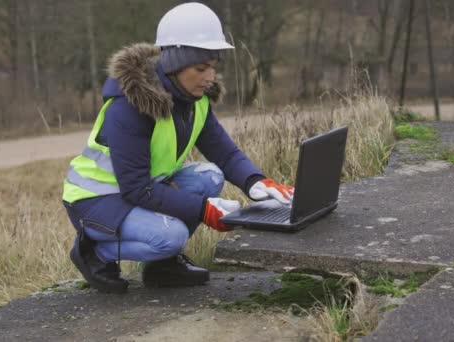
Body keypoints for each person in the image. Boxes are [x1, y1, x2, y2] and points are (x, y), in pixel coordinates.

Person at [61, 2, 294, 293]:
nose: (210, 77)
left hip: (139, 190)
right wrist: (202, 209)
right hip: (95, 202)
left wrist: (256, 181)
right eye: (201, 68)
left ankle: (162, 268)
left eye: (213, 67)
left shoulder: (195, 100)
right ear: (175, 63)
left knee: (210, 175)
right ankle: (95, 253)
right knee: (171, 236)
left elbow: (224, 152)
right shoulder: (131, 106)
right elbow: (136, 188)